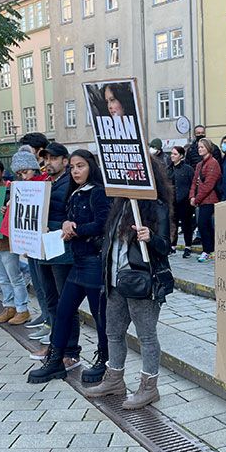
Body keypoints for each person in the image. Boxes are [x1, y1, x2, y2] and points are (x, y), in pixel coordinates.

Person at [83, 155, 174, 409]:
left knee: (146, 336)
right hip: (114, 281)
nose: (130, 177)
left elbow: (166, 247)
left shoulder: (157, 207)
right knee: (113, 332)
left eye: (136, 173)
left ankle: (149, 387)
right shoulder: (120, 205)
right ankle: (114, 379)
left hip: (141, 282)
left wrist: (151, 237)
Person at [27, 150, 111, 384]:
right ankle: (55, 362)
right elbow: (66, 216)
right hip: (79, 262)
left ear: (90, 167)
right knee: (63, 312)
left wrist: (75, 230)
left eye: (80, 166)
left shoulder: (98, 192)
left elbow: (103, 223)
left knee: (100, 316)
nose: (75, 171)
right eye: (73, 167)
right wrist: (66, 222)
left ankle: (104, 361)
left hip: (94, 262)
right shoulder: (74, 193)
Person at [29, 142, 83, 374]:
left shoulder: (69, 184)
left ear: (64, 160)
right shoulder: (46, 183)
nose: (48, 163)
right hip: (43, 249)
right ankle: (55, 345)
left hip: (61, 250)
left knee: (65, 303)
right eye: (46, 159)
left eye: (53, 158)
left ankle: (70, 352)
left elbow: (69, 215)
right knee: (51, 300)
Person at [0, 159, 30, 325]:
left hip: (6, 241)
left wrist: (8, 210)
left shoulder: (11, 190)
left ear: (1, 172)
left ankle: (22, 309)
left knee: (14, 276)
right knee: (1, 278)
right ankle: (9, 307)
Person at [10, 146, 51, 334]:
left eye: (25, 172)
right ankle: (45, 316)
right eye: (19, 174)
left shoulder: (45, 182)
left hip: (44, 243)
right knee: (38, 284)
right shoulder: (22, 186)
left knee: (46, 285)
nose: (23, 177)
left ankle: (50, 322)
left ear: (34, 168)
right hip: (32, 243)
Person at [189, 138, 221, 263]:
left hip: (210, 199)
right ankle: (210, 250)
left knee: (203, 224)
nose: (200, 149)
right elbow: (194, 182)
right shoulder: (199, 164)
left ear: (208, 148)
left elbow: (208, 185)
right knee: (204, 225)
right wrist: (191, 196)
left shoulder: (213, 163)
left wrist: (196, 199)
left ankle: (208, 250)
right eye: (199, 147)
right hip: (201, 199)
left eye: (202, 147)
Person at [168, 146, 195, 258]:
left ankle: (188, 246)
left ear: (181, 156)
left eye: (175, 154)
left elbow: (193, 184)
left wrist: (191, 197)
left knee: (186, 225)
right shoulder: (168, 169)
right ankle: (172, 246)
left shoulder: (188, 169)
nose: (172, 156)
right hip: (172, 201)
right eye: (171, 154)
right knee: (173, 224)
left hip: (185, 201)